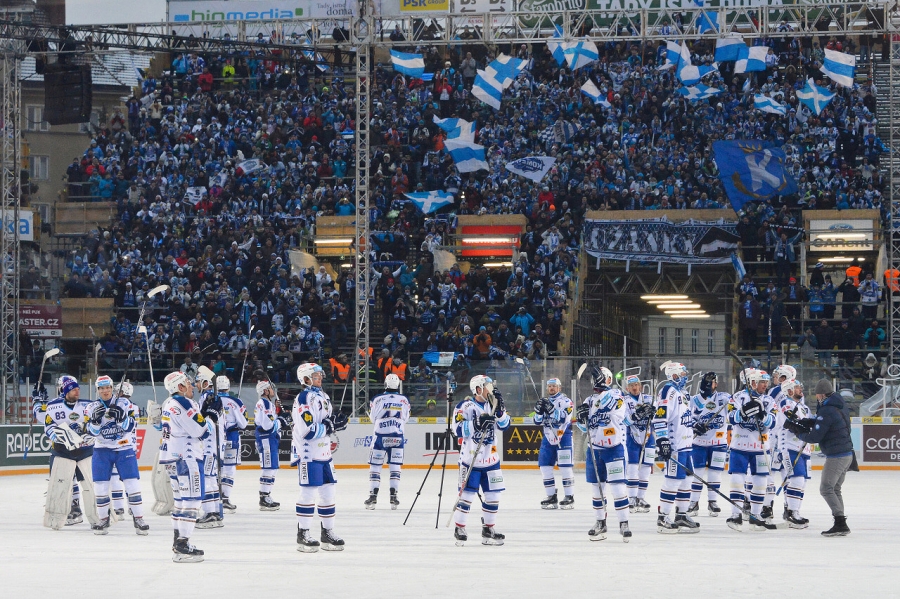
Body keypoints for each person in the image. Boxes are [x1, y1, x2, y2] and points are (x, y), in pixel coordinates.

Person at [784, 378, 855, 537]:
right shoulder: (839, 404)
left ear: (822, 395)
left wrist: (797, 431)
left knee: (826, 488)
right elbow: (821, 423)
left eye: (817, 395)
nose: (816, 398)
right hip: (847, 453)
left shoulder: (827, 410)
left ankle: (840, 522)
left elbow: (815, 436)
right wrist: (804, 422)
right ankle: (840, 521)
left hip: (837, 456)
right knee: (835, 489)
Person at [292, 363, 349, 552]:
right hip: (309, 454)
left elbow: (327, 423)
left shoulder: (323, 396)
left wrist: (337, 422)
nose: (320, 378)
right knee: (308, 494)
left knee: (329, 493)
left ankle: (327, 532)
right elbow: (308, 431)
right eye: (315, 376)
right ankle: (303, 534)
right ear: (306, 379)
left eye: (319, 375)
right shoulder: (303, 398)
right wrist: (330, 426)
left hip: (325, 454)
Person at [451, 375, 510, 546]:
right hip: (471, 460)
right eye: (487, 386)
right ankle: (460, 527)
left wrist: (499, 411)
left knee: (493, 496)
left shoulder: (494, 404)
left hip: (491, 460)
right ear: (478, 389)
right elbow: (457, 429)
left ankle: (488, 528)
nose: (491, 389)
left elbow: (505, 426)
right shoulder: (465, 406)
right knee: (467, 495)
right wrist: (476, 423)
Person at [85, 375, 148, 535]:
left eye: (108, 387)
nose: (105, 391)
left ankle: (139, 518)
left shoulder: (125, 403)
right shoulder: (91, 407)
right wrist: (95, 421)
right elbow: (91, 432)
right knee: (100, 486)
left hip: (124, 448)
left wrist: (122, 418)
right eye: (101, 388)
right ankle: (103, 519)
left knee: (132, 483)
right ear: (97, 390)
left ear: (112, 388)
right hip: (101, 449)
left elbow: (131, 427)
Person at [160, 371, 211, 563]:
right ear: (180, 387)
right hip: (187, 458)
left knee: (181, 502)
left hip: (172, 459)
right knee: (192, 501)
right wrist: (209, 418)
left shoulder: (168, 403)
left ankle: (178, 540)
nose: (192, 387)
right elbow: (201, 431)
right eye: (188, 384)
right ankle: (182, 544)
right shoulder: (183, 403)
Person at [577, 367, 632, 542]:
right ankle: (600, 522)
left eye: (598, 378)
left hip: (614, 448)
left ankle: (624, 523)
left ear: (608, 379)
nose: (595, 382)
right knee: (597, 488)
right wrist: (581, 418)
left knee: (617, 487)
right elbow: (584, 428)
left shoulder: (617, 395)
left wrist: (593, 414)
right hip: (595, 449)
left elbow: (617, 414)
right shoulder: (589, 400)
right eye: (594, 379)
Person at [42, 375, 99, 530]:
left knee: (88, 484)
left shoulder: (88, 405)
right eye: (73, 389)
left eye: (78, 389)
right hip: (62, 451)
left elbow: (95, 424)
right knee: (61, 482)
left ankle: (98, 515)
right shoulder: (54, 406)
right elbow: (48, 426)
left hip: (84, 451)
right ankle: (73, 511)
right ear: (66, 391)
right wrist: (54, 435)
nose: (77, 392)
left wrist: (92, 433)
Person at [727, 369, 777, 531]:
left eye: (766, 382)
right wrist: (742, 413)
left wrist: (762, 414)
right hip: (739, 446)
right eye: (762, 382)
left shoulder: (769, 400)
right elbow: (729, 417)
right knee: (737, 480)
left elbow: (773, 422)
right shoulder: (737, 397)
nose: (765, 385)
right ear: (753, 382)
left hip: (760, 448)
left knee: (760, 481)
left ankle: (755, 515)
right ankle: (736, 514)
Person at [651, 361, 699, 534]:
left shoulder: (683, 393)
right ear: (674, 375)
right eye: (682, 374)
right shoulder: (668, 390)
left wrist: (697, 425)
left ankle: (681, 514)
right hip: (675, 446)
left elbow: (684, 417)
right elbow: (660, 417)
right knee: (673, 481)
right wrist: (663, 440)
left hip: (686, 444)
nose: (685, 377)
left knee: (687, 479)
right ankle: (663, 517)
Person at [364, 373, 411, 510]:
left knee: (375, 466)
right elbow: (406, 418)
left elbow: (372, 419)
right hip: (397, 436)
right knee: (395, 466)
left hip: (380, 436)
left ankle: (373, 497)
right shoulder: (404, 399)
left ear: (385, 384)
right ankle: (393, 497)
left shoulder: (377, 399)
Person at [687, 372, 730, 518]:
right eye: (707, 382)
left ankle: (713, 501)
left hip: (719, 442)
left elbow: (734, 406)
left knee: (715, 473)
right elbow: (688, 417)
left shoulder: (724, 398)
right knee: (697, 472)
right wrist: (695, 425)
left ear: (716, 383)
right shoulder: (694, 399)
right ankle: (693, 502)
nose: (710, 384)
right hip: (699, 442)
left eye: (712, 382)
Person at [774, 380, 812, 529]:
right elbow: (792, 423)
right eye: (797, 387)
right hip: (789, 447)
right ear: (789, 390)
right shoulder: (785, 403)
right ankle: (791, 513)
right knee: (796, 479)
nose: (800, 389)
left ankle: (794, 511)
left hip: (803, 448)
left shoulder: (804, 407)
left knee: (802, 482)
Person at [532, 377, 575, 509]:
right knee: (544, 467)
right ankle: (551, 496)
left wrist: (551, 410)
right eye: (549, 386)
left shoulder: (567, 401)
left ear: (559, 388)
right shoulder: (544, 401)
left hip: (564, 436)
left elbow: (564, 418)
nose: (551, 388)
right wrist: (539, 411)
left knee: (565, 467)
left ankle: (569, 496)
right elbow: (537, 421)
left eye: (554, 386)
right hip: (548, 437)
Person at [621, 374, 655, 513]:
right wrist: (636, 415)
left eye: (636, 385)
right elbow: (624, 421)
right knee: (633, 468)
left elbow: (659, 416)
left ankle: (641, 498)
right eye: (631, 385)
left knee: (646, 468)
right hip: (632, 437)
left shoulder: (649, 399)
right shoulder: (623, 401)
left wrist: (653, 412)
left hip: (648, 437)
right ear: (627, 387)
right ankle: (632, 498)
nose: (634, 387)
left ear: (640, 386)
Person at [195, 366, 224, 528]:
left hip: (207, 446)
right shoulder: (207, 397)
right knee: (211, 478)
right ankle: (214, 513)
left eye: (198, 382)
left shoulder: (211, 397)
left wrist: (205, 412)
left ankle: (209, 512)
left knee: (206, 478)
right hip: (210, 446)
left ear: (206, 382)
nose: (196, 385)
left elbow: (209, 421)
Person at [217, 376, 248, 513]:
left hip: (216, 438)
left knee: (216, 468)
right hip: (232, 437)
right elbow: (243, 423)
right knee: (229, 469)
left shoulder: (211, 399)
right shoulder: (235, 401)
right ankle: (225, 498)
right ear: (228, 386)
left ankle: (213, 498)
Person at [255, 378, 283, 511]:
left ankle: (266, 495)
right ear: (265, 391)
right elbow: (267, 425)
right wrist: (280, 421)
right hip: (266, 438)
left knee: (273, 467)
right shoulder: (264, 404)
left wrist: (277, 411)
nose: (273, 390)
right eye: (271, 388)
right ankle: (264, 497)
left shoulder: (267, 404)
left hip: (269, 438)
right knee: (269, 468)